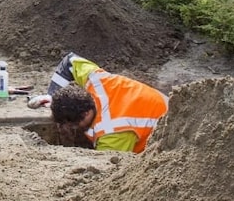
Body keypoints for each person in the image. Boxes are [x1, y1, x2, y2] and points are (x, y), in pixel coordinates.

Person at [27, 52, 168, 153]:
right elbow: (70, 61)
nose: (71, 129)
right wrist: (53, 95)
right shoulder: (97, 82)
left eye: (73, 125)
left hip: (172, 134)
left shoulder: (112, 132)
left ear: (86, 113)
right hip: (163, 104)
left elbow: (108, 170)